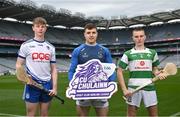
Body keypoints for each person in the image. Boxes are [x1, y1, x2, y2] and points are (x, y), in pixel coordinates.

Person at [68, 23, 115, 116]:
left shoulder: (104, 50)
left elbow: (111, 69)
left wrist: (112, 83)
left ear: (97, 34)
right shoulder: (77, 50)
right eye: (88, 32)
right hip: (83, 90)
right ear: (84, 34)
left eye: (93, 32)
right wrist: (71, 84)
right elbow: (72, 70)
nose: (91, 35)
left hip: (101, 89)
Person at [117, 28, 166, 116]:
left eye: (141, 36)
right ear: (133, 38)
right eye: (136, 36)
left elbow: (154, 69)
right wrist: (124, 89)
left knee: (154, 115)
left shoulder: (152, 53)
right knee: (131, 115)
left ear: (145, 37)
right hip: (133, 89)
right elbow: (119, 71)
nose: (139, 38)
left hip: (149, 87)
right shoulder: (128, 54)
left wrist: (157, 73)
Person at [16, 17, 58, 116]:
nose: (40, 29)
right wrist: (26, 78)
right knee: (31, 114)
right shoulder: (26, 45)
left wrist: (55, 88)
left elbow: (54, 69)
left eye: (43, 26)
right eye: (38, 26)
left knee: (44, 114)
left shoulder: (51, 48)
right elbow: (18, 64)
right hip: (32, 84)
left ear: (45, 29)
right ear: (33, 28)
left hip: (47, 84)